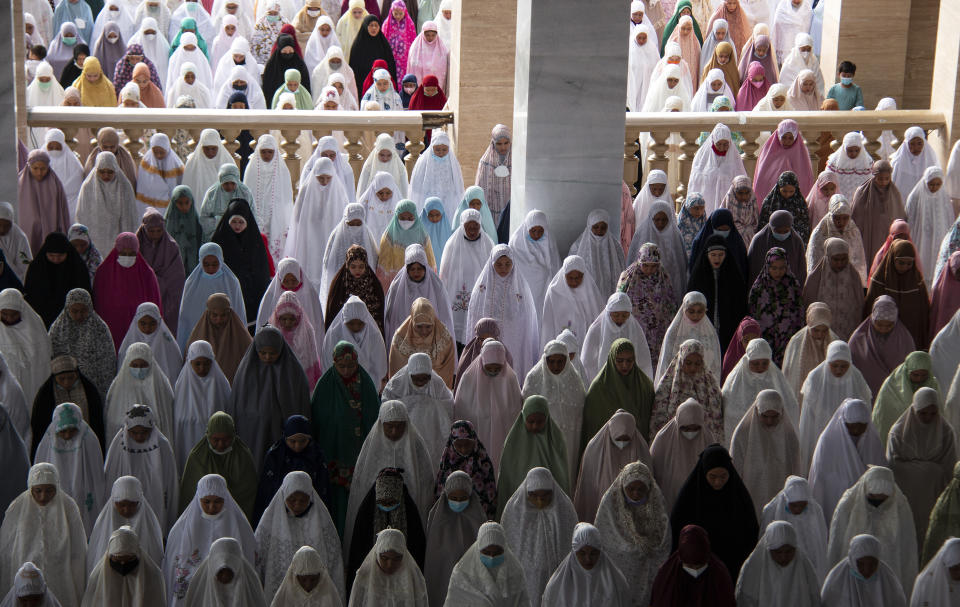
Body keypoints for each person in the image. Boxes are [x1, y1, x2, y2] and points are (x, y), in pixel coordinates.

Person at [310, 341, 381, 533]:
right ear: (334, 363)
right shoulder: (325, 386)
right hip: (333, 451)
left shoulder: (365, 384)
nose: (347, 370)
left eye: (351, 365)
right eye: (342, 366)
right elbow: (318, 419)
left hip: (359, 453)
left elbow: (373, 417)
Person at [0, 464, 87, 606]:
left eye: (49, 491)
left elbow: (79, 550)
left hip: (61, 575)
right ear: (30, 488)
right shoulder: (17, 507)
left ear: (57, 488)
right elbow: (6, 548)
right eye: (38, 491)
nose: (43, 496)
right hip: (26, 581)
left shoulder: (68, 507)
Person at [671, 443, 759, 580]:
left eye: (723, 476)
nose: (718, 482)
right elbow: (677, 533)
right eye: (712, 477)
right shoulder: (689, 499)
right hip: (696, 571)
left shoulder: (739, 498)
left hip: (732, 568)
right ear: (704, 473)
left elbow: (750, 533)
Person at [827, 466, 918, 595]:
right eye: (872, 499)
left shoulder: (900, 507)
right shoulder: (848, 504)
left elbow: (907, 553)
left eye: (883, 500)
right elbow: (836, 543)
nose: (877, 505)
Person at [255, 470, 344, 601]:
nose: (297, 505)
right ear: (284, 496)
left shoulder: (322, 520)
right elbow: (258, 557)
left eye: (303, 500)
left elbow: (334, 560)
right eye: (292, 500)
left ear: (311, 497)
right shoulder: (270, 520)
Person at [887, 387, 956, 548]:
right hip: (907, 496)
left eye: (933, 414)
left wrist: (926, 472)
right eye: (922, 413)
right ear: (914, 409)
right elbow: (892, 466)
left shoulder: (945, 432)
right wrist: (929, 471)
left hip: (934, 495)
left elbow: (949, 467)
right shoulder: (898, 433)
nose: (928, 418)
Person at [464, 244, 540, 379]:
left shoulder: (521, 288)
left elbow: (527, 318)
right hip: (487, 340)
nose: (503, 268)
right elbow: (475, 316)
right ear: (492, 263)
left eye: (507, 264)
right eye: (499, 264)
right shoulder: (482, 288)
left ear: (513, 263)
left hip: (513, 340)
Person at [808, 398, 885, 525]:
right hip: (835, 499)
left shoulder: (872, 440)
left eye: (861, 427)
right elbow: (820, 481)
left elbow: (880, 471)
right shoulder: (828, 441)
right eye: (852, 427)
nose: (856, 432)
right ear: (843, 423)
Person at [34, 401, 105, 535]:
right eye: (63, 431)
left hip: (83, 495)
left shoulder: (89, 439)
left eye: (72, 430)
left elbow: (96, 476)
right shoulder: (48, 441)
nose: (67, 435)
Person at [451, 340, 520, 473]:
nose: (493, 372)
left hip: (503, 438)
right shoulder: (469, 379)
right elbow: (461, 412)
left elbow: (516, 413)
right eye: (489, 368)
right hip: (477, 437)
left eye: (497, 368)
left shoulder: (511, 380)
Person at [180, 412, 257, 521]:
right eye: (215, 440)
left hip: (234, 520)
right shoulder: (197, 457)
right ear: (208, 435)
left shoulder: (243, 456)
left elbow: (249, 493)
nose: (221, 445)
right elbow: (189, 494)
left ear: (233, 436)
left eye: (226, 440)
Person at [86, 475, 164, 578]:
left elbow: (156, 560)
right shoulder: (103, 525)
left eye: (132, 505)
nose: (126, 510)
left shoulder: (150, 526)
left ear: (139, 502)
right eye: (122, 505)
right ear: (114, 503)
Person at [617, 242, 678, 365]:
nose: (649, 270)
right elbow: (618, 301)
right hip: (635, 328)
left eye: (653, 266)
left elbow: (670, 304)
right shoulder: (628, 276)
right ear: (639, 262)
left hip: (657, 331)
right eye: (645, 266)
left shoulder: (663, 277)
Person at [177, 242, 246, 350]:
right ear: (200, 262)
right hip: (198, 337)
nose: (210, 268)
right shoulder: (192, 283)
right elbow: (186, 317)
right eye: (206, 264)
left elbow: (238, 311)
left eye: (215, 264)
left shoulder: (231, 282)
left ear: (221, 261)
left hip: (225, 333)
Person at [760, 477, 829, 582]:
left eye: (802, 505)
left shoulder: (815, 511)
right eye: (793, 505)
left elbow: (820, 544)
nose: (798, 509)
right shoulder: (771, 511)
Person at [650, 524, 736, 607]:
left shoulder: (720, 576)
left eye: (699, 566)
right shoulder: (666, 578)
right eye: (689, 566)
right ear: (681, 559)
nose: (695, 570)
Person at [82, 525, 167, 606]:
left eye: (129, 560)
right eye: (118, 560)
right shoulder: (97, 578)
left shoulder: (153, 576)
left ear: (138, 555)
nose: (122, 564)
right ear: (109, 556)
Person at [849, 295, 916, 396]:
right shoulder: (858, 340)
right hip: (864, 394)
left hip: (894, 396)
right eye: (879, 325)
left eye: (889, 325)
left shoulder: (905, 340)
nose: (883, 329)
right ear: (872, 319)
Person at [655, 291, 722, 388]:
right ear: (684, 310)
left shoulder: (710, 332)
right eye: (691, 311)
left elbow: (715, 362)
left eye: (700, 311)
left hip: (703, 384)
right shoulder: (673, 332)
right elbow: (666, 361)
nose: (695, 315)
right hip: (678, 383)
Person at [348, 528, 428, 607]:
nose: (390, 564)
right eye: (384, 558)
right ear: (377, 554)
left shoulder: (414, 579)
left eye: (397, 558)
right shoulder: (364, 577)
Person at [0, 288, 52, 405]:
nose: (9, 318)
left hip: (32, 385)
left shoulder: (35, 327)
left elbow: (43, 361)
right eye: (4, 314)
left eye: (14, 314)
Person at [627, 200, 687, 300]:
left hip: (669, 287)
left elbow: (681, 265)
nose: (660, 223)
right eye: (657, 219)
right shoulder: (642, 234)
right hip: (643, 286)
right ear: (651, 218)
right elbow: (632, 262)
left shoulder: (675, 236)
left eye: (664, 220)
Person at [182, 537, 265, 607]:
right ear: (212, 568)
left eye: (229, 571)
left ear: (238, 568)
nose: (225, 576)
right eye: (220, 571)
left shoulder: (252, 591)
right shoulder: (198, 593)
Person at [507, 210, 561, 317]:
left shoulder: (549, 240)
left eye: (540, 231)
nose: (537, 234)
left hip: (545, 290)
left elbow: (555, 265)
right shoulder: (517, 243)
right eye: (533, 230)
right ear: (527, 228)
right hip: (524, 290)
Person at [17, 150, 71, 255]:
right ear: (29, 166)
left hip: (50, 232)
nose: (39, 173)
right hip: (27, 233)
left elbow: (62, 212)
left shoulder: (55, 184)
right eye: (35, 168)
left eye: (43, 169)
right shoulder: (20, 184)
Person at [688, 124, 747, 213]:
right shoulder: (702, 158)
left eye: (725, 144)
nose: (722, 148)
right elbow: (695, 184)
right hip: (708, 204)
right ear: (713, 141)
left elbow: (742, 182)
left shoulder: (735, 159)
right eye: (718, 144)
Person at [267, 545, 342, 606]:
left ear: (321, 576)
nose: (308, 585)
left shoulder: (329, 597)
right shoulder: (285, 598)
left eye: (313, 579)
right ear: (294, 577)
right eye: (303, 580)